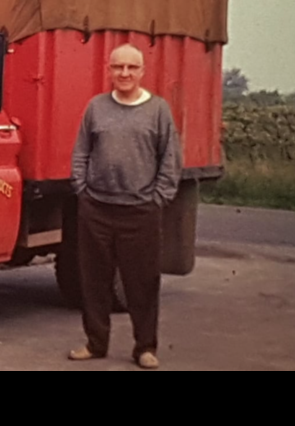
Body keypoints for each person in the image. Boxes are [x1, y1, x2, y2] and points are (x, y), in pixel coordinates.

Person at [67, 43, 182, 370]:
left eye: (132, 68)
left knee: (142, 284)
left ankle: (145, 347)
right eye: (118, 67)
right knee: (93, 282)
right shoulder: (96, 108)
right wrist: (82, 189)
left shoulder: (158, 110)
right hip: (97, 209)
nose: (125, 74)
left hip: (141, 212)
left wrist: (158, 197)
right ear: (110, 70)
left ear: (142, 72)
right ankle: (95, 343)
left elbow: (170, 159)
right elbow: (81, 152)